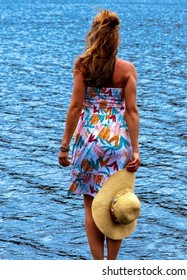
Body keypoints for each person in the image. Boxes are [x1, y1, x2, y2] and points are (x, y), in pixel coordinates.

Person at [58, 10, 141, 260]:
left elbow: (74, 107)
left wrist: (65, 146)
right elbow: (132, 111)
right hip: (118, 142)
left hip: (89, 142)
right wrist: (135, 150)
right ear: (116, 37)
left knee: (90, 205)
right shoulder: (126, 69)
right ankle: (112, 266)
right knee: (118, 202)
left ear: (94, 34)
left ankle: (98, 266)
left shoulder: (83, 65)